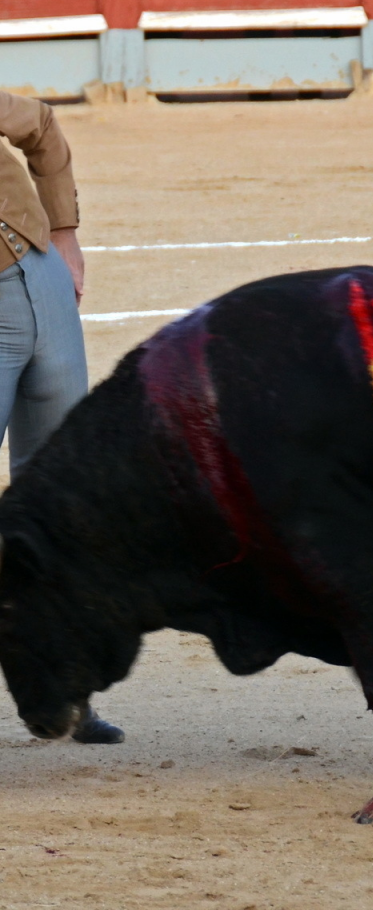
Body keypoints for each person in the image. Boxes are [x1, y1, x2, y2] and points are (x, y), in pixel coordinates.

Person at [0, 91, 123, 744]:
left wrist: (66, 237)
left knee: (60, 499)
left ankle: (71, 692)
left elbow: (40, 125)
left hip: (39, 280)